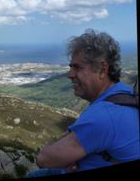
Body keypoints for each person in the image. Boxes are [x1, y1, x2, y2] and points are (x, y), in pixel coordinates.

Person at [28, 29, 139, 178]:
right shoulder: (123, 92)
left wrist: (67, 153)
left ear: (102, 69)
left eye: (77, 67)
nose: (70, 75)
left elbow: (44, 159)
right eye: (70, 67)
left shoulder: (103, 117)